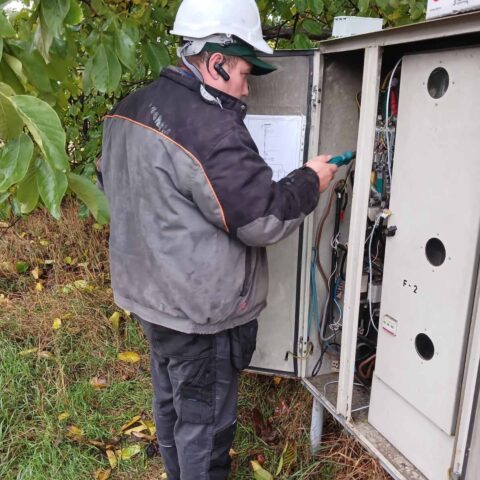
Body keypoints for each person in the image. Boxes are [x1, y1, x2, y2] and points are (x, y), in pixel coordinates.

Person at [99, 0, 337, 478]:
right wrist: (310, 179)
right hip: (198, 312)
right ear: (216, 62)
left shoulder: (129, 108)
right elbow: (262, 219)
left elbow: (111, 184)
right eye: (245, 73)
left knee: (172, 406)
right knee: (205, 430)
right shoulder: (209, 128)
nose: (248, 88)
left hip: (151, 298)